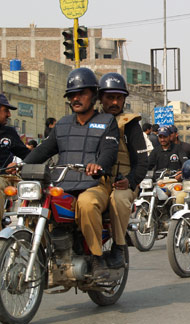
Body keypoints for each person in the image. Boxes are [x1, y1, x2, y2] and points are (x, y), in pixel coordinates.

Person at [17, 67, 119, 279]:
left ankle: (96, 258)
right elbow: (43, 150)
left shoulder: (108, 122)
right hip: (63, 184)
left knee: (87, 204)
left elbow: (109, 153)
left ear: (93, 94)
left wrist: (98, 166)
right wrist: (20, 165)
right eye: (72, 94)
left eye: (81, 93)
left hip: (94, 183)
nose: (76, 98)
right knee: (37, 200)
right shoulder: (62, 124)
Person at [98, 72, 148, 268]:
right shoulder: (93, 120)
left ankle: (118, 247)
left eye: (119, 98)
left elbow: (142, 162)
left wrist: (130, 181)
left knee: (118, 199)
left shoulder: (131, 124)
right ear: (101, 97)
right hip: (96, 182)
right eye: (110, 97)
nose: (114, 102)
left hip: (123, 182)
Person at [0, 94, 31, 230]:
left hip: (4, 177)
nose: (9, 114)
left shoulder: (9, 132)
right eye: (5, 110)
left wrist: (18, 166)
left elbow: (29, 156)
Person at [148, 126, 188, 195]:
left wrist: (181, 173)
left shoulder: (177, 148)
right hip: (159, 182)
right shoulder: (155, 151)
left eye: (165, 137)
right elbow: (147, 165)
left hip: (174, 182)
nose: (162, 139)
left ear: (170, 136)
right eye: (160, 137)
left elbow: (185, 163)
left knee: (178, 195)